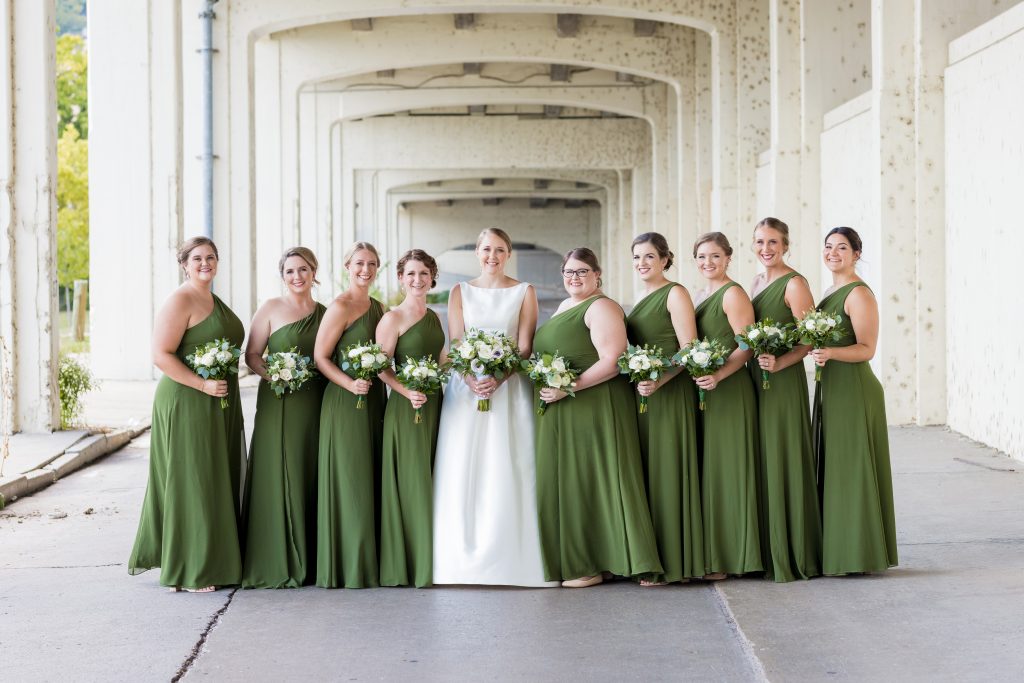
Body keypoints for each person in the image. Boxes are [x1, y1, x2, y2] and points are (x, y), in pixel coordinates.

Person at [432, 228, 557, 587]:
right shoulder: (460, 291)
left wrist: (499, 378)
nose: (492, 256)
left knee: (509, 462)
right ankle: (456, 562)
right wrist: (471, 380)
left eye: (500, 250)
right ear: (477, 252)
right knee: (462, 465)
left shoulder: (524, 292)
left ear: (509, 253)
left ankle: (516, 560)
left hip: (509, 388)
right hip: (466, 389)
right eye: (486, 249)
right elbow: (456, 344)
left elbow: (525, 346)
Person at [532, 247, 662, 588]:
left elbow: (612, 358)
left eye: (582, 272)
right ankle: (589, 560)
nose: (574, 278)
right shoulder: (566, 305)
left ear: (597, 274)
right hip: (567, 407)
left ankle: (593, 564)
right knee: (576, 481)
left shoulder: (601, 306)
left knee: (593, 478)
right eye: (569, 272)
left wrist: (567, 387)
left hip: (593, 404)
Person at [128, 236, 245, 592]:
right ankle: (191, 569)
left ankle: (200, 556)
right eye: (197, 258)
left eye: (211, 257)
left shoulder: (210, 298)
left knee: (210, 477)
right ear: (184, 264)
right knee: (192, 479)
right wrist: (202, 384)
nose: (205, 263)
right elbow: (161, 355)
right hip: (188, 399)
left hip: (217, 400)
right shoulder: (180, 299)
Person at [811, 227, 898, 575]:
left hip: (855, 390)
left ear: (856, 254)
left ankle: (858, 555)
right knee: (837, 470)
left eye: (842, 247)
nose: (833, 253)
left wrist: (829, 351)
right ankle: (840, 549)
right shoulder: (832, 290)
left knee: (852, 470)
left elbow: (867, 348)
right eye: (829, 247)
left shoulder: (858, 294)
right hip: (832, 387)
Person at [241, 247, 326, 588]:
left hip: (316, 400)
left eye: (303, 270)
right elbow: (252, 354)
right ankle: (275, 555)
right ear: (283, 276)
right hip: (279, 401)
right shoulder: (270, 308)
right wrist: (273, 375)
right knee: (279, 469)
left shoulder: (325, 312)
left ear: (313, 271)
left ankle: (312, 556)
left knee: (310, 468)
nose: (297, 277)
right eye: (290, 271)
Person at [626, 232, 705, 585]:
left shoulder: (676, 293)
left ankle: (674, 563)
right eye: (637, 258)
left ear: (664, 259)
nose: (642, 263)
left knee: (668, 472)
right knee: (648, 472)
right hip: (644, 392)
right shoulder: (642, 295)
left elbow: (689, 349)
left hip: (670, 393)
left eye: (648, 257)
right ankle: (649, 556)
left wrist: (659, 379)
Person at [748, 218, 822, 582]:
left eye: (773, 242)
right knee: (762, 457)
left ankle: (791, 551)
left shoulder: (795, 284)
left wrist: (780, 362)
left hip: (782, 379)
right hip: (756, 377)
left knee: (783, 454)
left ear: (786, 245)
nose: (766, 248)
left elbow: (809, 339)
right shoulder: (757, 281)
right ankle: (764, 547)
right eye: (760, 241)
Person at [314, 242, 388, 588]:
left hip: (375, 400)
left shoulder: (379, 307)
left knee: (371, 473)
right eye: (359, 263)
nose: (366, 270)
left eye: (372, 264)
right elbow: (321, 357)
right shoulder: (340, 307)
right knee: (350, 477)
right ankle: (348, 564)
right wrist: (349, 384)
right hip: (346, 401)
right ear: (347, 266)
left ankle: (370, 559)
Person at [692, 232, 763, 579]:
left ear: (728, 258)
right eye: (702, 257)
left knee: (731, 470)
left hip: (731, 389)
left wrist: (719, 376)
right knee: (714, 471)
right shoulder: (700, 294)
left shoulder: (732, 293)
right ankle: (716, 551)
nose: (709, 263)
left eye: (715, 256)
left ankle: (736, 556)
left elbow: (746, 346)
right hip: (708, 388)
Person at [377, 249, 446, 587]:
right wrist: (407, 392)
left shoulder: (433, 315)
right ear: (401, 279)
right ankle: (412, 564)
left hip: (435, 403)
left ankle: (434, 558)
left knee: (434, 474)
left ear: (432, 277)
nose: (417, 280)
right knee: (413, 478)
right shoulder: (393, 318)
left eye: (424, 273)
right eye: (411, 274)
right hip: (408, 407)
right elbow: (380, 367)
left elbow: (444, 359)